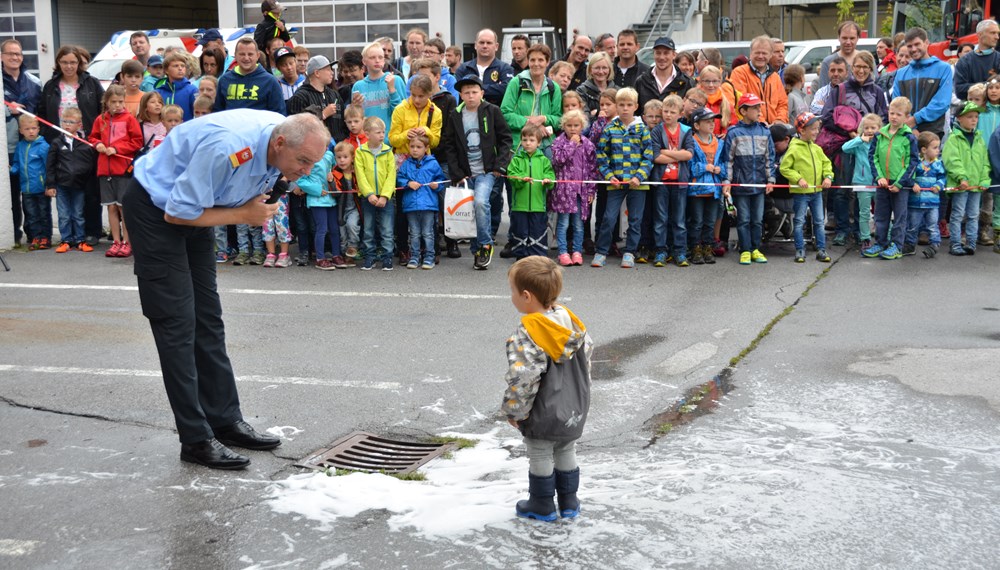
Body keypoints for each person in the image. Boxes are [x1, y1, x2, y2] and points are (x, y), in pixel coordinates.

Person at [123, 110, 328, 469]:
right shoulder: (228, 148)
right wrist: (243, 216)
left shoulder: (284, 136)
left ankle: (225, 421)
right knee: (176, 324)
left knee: (208, 319)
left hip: (201, 209)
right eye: (303, 161)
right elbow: (176, 213)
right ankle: (196, 439)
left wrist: (252, 204)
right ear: (280, 143)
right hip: (157, 210)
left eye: (313, 162)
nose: (306, 171)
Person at [503, 255, 592, 522]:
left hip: (544, 407)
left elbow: (524, 376)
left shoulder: (529, 330)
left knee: (540, 450)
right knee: (565, 448)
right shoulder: (570, 320)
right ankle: (569, 501)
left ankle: (541, 503)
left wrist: (515, 411)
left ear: (527, 296)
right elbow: (586, 356)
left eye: (513, 292)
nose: (513, 297)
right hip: (574, 403)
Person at [443, 74, 513, 269]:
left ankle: (484, 244)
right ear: (461, 95)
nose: (471, 96)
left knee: (481, 203)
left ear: (482, 93)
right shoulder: (455, 115)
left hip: (487, 170)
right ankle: (476, 251)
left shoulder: (492, 111)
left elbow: (505, 139)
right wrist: (456, 172)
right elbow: (449, 145)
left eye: (474, 92)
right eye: (466, 93)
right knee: (470, 209)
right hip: (466, 173)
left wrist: (500, 165)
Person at [821, 50, 888, 246]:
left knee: (863, 189)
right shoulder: (840, 90)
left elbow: (883, 117)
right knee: (842, 189)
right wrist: (851, 133)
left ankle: (860, 229)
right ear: (852, 68)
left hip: (869, 149)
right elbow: (827, 117)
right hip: (846, 146)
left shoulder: (877, 92)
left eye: (865, 67)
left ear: (871, 69)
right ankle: (843, 229)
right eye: (857, 66)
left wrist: (872, 135)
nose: (860, 71)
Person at [592, 87, 653, 268]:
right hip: (616, 183)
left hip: (637, 184)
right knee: (609, 218)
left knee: (635, 219)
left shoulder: (643, 129)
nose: (625, 108)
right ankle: (601, 251)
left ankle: (630, 252)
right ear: (617, 107)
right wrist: (610, 176)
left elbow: (648, 156)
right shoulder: (610, 128)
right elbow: (601, 154)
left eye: (629, 105)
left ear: (636, 106)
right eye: (621, 105)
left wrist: (639, 177)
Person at [90, 85, 143, 258]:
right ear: (106, 102)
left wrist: (116, 148)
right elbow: (93, 137)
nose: (118, 105)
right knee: (111, 207)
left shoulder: (129, 119)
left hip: (123, 170)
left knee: (123, 207)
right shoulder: (101, 119)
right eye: (113, 102)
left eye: (121, 101)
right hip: (105, 170)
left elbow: (136, 142)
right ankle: (116, 241)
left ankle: (128, 242)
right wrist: (97, 144)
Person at [863, 96, 918, 260]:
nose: (894, 117)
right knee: (880, 215)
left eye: (898, 114)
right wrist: (879, 176)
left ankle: (897, 245)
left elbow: (912, 162)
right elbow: (873, 157)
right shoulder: (880, 134)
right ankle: (880, 243)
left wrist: (900, 183)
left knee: (900, 216)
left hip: (900, 185)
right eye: (892, 113)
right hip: (882, 183)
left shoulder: (909, 137)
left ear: (907, 117)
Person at [724, 93, 775, 265]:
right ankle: (745, 249)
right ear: (743, 111)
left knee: (757, 219)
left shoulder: (764, 131)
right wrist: (727, 182)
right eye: (754, 108)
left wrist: (771, 180)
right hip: (741, 185)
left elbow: (770, 158)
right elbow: (728, 160)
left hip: (759, 184)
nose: (759, 111)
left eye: (759, 107)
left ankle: (755, 249)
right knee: (744, 219)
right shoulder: (734, 132)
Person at [780, 112, 834, 263]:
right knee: (799, 221)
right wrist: (798, 178)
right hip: (801, 193)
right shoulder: (794, 148)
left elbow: (826, 164)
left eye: (817, 128)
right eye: (813, 129)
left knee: (819, 221)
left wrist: (828, 177)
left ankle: (821, 250)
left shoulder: (817, 148)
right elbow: (785, 168)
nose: (817, 132)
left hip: (816, 192)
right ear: (802, 131)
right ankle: (799, 250)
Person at [4, 39, 42, 248]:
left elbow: (41, 112)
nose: (14, 57)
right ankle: (14, 233)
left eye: (18, 53)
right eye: (10, 53)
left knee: (32, 192)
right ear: (2, 57)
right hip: (9, 148)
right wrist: (7, 111)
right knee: (11, 194)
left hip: (31, 146)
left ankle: (34, 234)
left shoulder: (33, 81)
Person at [943, 101, 991, 256]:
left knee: (973, 214)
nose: (974, 120)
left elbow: (985, 162)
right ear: (959, 118)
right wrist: (961, 178)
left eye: (976, 117)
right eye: (970, 116)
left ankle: (971, 243)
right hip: (961, 185)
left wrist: (984, 180)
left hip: (976, 185)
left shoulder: (980, 139)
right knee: (957, 214)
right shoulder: (953, 139)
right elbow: (952, 160)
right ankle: (955, 243)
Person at [550, 110, 597, 266]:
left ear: (582, 126)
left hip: (580, 192)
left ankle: (577, 251)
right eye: (569, 125)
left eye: (576, 125)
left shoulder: (588, 144)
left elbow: (592, 169)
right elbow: (558, 160)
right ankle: (563, 252)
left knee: (578, 223)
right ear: (563, 126)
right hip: (564, 191)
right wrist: (572, 144)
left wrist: (591, 190)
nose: (572, 128)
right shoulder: (558, 142)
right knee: (563, 223)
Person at [46, 107, 96, 253]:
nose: (67, 124)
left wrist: (87, 180)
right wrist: (50, 184)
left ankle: (80, 239)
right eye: (64, 121)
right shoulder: (57, 142)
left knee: (78, 213)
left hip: (79, 185)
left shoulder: (84, 143)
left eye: (71, 122)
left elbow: (89, 164)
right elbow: (50, 165)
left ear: (79, 125)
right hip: (61, 185)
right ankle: (66, 239)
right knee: (63, 214)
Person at [650, 94, 692, 267]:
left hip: (680, 181)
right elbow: (655, 157)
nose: (668, 115)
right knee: (661, 218)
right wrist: (677, 155)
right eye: (665, 111)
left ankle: (680, 251)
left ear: (680, 114)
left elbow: (688, 154)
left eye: (672, 112)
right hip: (661, 181)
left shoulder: (686, 131)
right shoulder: (657, 131)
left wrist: (667, 152)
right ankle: (661, 251)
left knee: (679, 219)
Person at [892, 27, 953, 138]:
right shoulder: (901, 73)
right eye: (910, 46)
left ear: (926, 43)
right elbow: (896, 103)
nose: (913, 49)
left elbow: (941, 102)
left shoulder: (943, 68)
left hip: (932, 134)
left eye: (917, 44)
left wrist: (915, 120)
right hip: (905, 132)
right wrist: (912, 127)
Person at [502, 44, 563, 154]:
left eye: (540, 60)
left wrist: (543, 118)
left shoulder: (554, 87)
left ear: (547, 62)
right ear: (528, 61)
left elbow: (559, 119)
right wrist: (531, 123)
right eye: (532, 60)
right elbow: (505, 114)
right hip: (521, 143)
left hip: (547, 144)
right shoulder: (516, 83)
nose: (536, 64)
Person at [684, 107, 726, 265]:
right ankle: (695, 248)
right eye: (707, 121)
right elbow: (688, 167)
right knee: (697, 221)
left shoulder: (719, 143)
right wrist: (704, 167)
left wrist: (720, 170)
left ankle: (708, 247)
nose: (712, 124)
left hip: (714, 190)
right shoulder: (691, 142)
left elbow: (723, 162)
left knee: (710, 221)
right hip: (697, 190)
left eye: (712, 121)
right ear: (696, 125)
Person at [398, 134, 447, 269]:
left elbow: (441, 180)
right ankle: (414, 257)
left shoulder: (433, 163)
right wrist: (408, 183)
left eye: (418, 147)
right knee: (413, 232)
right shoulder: (406, 164)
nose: (414, 150)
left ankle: (429, 257)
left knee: (428, 232)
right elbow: (399, 178)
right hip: (411, 205)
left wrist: (437, 185)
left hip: (428, 205)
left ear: (426, 148)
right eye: (412, 146)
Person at [355, 116, 397, 270]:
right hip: (368, 198)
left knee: (387, 229)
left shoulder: (388, 152)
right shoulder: (360, 152)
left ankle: (387, 257)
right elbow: (361, 175)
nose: (382, 135)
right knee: (368, 229)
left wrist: (385, 195)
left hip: (386, 198)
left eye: (383, 132)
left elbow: (391, 175)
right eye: (378, 132)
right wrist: (369, 194)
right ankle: (370, 256)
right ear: (367, 134)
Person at [297, 145, 348, 270]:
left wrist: (332, 177)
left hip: (331, 198)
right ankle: (320, 258)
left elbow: (336, 169)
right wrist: (318, 190)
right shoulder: (307, 159)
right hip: (317, 200)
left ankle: (336, 255)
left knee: (334, 229)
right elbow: (301, 181)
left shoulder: (329, 155)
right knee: (322, 229)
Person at [841, 113, 883, 250]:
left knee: (882, 212)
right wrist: (860, 139)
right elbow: (845, 148)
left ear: (879, 128)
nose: (870, 131)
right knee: (864, 212)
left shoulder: (881, 142)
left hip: (879, 182)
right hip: (862, 182)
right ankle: (865, 238)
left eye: (873, 127)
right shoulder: (859, 144)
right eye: (866, 128)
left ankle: (883, 237)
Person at [11, 115, 51, 250]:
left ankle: (45, 237)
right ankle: (35, 237)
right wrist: (12, 170)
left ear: (38, 129)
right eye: (27, 129)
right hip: (26, 188)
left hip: (41, 188)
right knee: (31, 215)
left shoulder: (44, 146)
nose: (31, 131)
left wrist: (49, 184)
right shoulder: (20, 146)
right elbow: (17, 163)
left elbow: (48, 167)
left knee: (44, 214)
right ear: (21, 130)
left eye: (34, 128)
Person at [216, 37, 285, 115]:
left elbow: (279, 115)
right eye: (242, 54)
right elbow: (217, 113)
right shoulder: (224, 80)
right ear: (235, 55)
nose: (246, 58)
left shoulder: (271, 82)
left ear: (258, 55)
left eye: (250, 54)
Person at [904, 132, 946, 257]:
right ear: (923, 149)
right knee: (912, 226)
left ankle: (934, 245)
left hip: (932, 203)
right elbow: (909, 175)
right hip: (916, 202)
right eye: (934, 148)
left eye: (938, 147)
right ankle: (910, 245)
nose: (938, 150)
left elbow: (943, 177)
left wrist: (938, 185)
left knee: (933, 225)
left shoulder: (938, 164)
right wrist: (913, 184)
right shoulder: (916, 163)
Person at [286, 55, 348, 142]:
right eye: (328, 69)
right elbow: (297, 129)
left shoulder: (334, 94)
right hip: (315, 150)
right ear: (317, 73)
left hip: (339, 151)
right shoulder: (300, 97)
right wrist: (323, 115)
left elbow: (344, 123)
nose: (332, 72)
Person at [730, 35, 788, 125]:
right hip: (750, 127)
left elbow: (783, 104)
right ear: (750, 54)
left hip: (775, 128)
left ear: (770, 55)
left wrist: (780, 120)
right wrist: (761, 123)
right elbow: (742, 102)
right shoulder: (739, 73)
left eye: (764, 53)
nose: (760, 56)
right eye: (757, 53)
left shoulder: (775, 77)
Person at [352, 41, 406, 133]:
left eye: (380, 57)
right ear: (364, 61)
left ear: (384, 60)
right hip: (367, 142)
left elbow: (404, 114)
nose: (377, 60)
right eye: (372, 57)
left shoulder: (395, 80)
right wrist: (355, 107)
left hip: (393, 140)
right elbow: (355, 119)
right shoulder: (358, 86)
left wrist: (392, 91)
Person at [455, 29, 515, 107]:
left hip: (495, 117)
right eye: (481, 42)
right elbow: (459, 92)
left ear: (496, 46)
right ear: (475, 45)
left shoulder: (505, 68)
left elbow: (506, 90)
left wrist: (473, 89)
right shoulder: (463, 68)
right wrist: (495, 88)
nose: (485, 46)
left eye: (489, 43)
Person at [636, 36, 692, 111]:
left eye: (666, 53)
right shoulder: (642, 81)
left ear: (674, 55)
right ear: (654, 54)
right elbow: (636, 111)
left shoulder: (686, 82)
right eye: (658, 53)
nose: (662, 57)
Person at [330, 141, 361, 264]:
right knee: (341, 231)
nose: (342, 160)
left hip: (354, 207)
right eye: (339, 157)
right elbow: (335, 192)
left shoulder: (358, 172)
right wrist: (331, 181)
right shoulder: (335, 173)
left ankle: (353, 248)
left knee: (352, 225)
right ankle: (344, 253)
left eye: (345, 157)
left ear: (352, 158)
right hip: (340, 208)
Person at [954, 19, 1000, 100]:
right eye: (993, 33)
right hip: (972, 110)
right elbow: (959, 91)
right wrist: (989, 84)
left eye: (998, 33)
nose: (997, 37)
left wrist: (973, 88)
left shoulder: (998, 58)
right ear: (979, 35)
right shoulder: (964, 61)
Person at [154, 52, 198, 121]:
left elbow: (198, 115)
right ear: (166, 70)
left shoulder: (192, 90)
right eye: (176, 66)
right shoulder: (158, 92)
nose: (180, 68)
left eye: (183, 66)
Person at [697, 65, 737, 137]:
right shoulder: (695, 102)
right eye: (707, 81)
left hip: (721, 145)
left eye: (715, 81)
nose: (711, 85)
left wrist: (727, 135)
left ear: (720, 82)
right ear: (701, 82)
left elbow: (734, 126)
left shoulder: (726, 104)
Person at [819, 21, 862, 88]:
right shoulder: (828, 61)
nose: (848, 42)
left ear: (858, 38)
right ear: (838, 37)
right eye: (844, 38)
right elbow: (822, 91)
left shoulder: (866, 60)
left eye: (852, 38)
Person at [577, 51, 617, 119]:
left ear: (610, 69)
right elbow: (584, 118)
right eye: (597, 68)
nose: (601, 72)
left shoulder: (618, 91)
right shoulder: (581, 91)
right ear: (590, 70)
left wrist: (594, 113)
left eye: (604, 68)